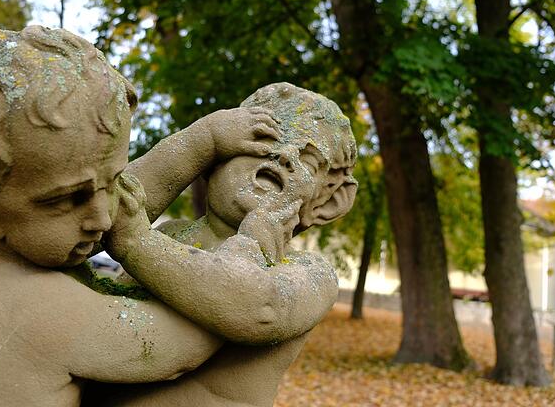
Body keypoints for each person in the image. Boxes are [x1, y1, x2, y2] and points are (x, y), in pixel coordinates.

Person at [0, 27, 340, 407]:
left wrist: (198, 145)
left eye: (112, 182)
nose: (102, 215)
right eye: (65, 200)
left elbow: (119, 211)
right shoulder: (44, 306)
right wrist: (241, 244)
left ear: (331, 201)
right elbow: (220, 318)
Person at [91, 82, 358, 406]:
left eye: (309, 162)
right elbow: (96, 215)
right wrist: (201, 141)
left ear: (327, 202)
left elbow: (256, 307)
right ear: (213, 161)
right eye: (263, 137)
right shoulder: (170, 234)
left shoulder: (310, 273)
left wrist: (134, 241)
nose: (285, 156)